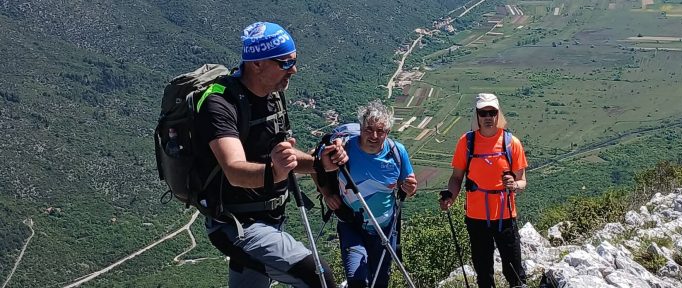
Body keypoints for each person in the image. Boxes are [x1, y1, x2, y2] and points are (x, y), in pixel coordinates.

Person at [193, 21, 347, 288]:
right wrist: (275, 172)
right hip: (237, 225)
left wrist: (319, 164)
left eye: (294, 61)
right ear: (257, 63)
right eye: (286, 63)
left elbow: (282, 156)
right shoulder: (220, 103)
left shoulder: (272, 94)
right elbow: (235, 170)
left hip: (271, 217)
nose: (294, 69)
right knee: (317, 274)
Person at [319, 100, 417, 288]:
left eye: (380, 131)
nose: (374, 136)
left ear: (387, 132)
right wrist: (327, 193)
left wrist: (410, 188)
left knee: (380, 281)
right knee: (358, 281)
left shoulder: (397, 152)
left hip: (385, 228)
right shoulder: (344, 149)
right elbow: (316, 165)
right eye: (369, 129)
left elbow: (409, 185)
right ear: (361, 128)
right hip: (351, 224)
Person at [439, 93, 528, 288]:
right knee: (483, 270)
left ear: (498, 114)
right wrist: (450, 197)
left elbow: (522, 181)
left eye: (492, 112)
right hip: (476, 217)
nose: (488, 117)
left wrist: (514, 185)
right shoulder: (466, 142)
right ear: (477, 115)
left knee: (513, 269)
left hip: (505, 215)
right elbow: (456, 177)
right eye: (483, 113)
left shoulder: (511, 143)